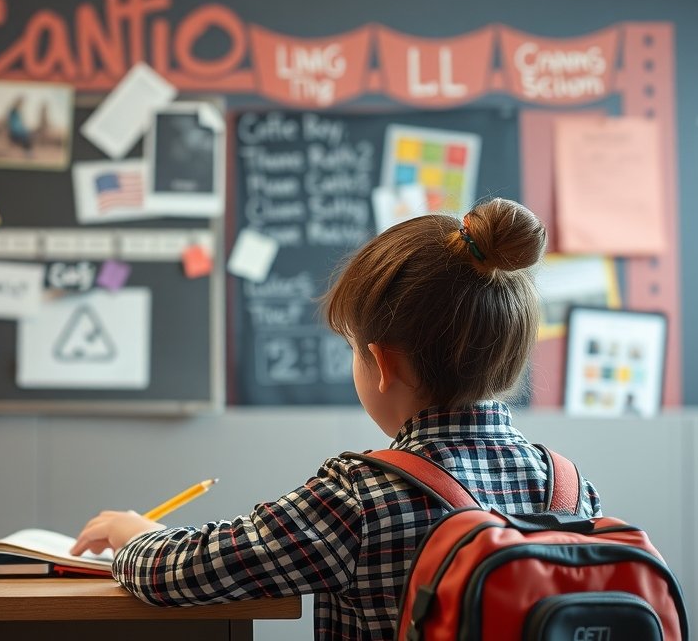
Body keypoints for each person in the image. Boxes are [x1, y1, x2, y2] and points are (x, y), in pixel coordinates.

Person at [70, 198, 603, 640]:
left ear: (384, 364)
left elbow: (186, 573)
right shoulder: (568, 488)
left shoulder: (360, 497)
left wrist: (134, 534)